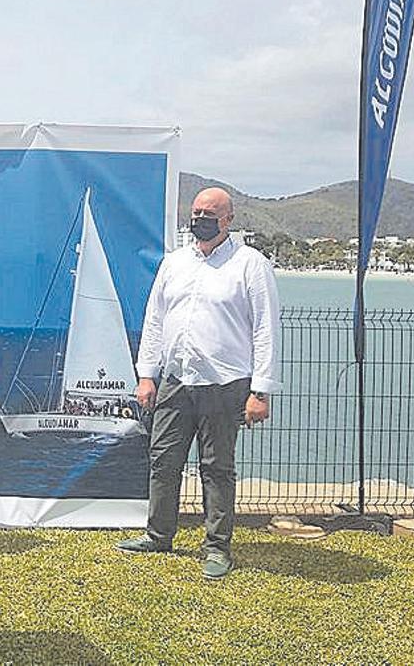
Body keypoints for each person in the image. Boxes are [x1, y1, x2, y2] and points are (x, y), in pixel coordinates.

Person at [116, 187, 281, 580]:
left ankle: (217, 547)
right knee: (163, 460)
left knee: (217, 467)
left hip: (225, 383)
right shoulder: (173, 264)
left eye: (210, 213)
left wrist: (261, 391)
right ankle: (158, 534)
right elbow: (154, 320)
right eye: (196, 212)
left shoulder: (250, 265)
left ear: (229, 219)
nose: (201, 219)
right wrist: (146, 374)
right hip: (175, 380)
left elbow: (266, 328)